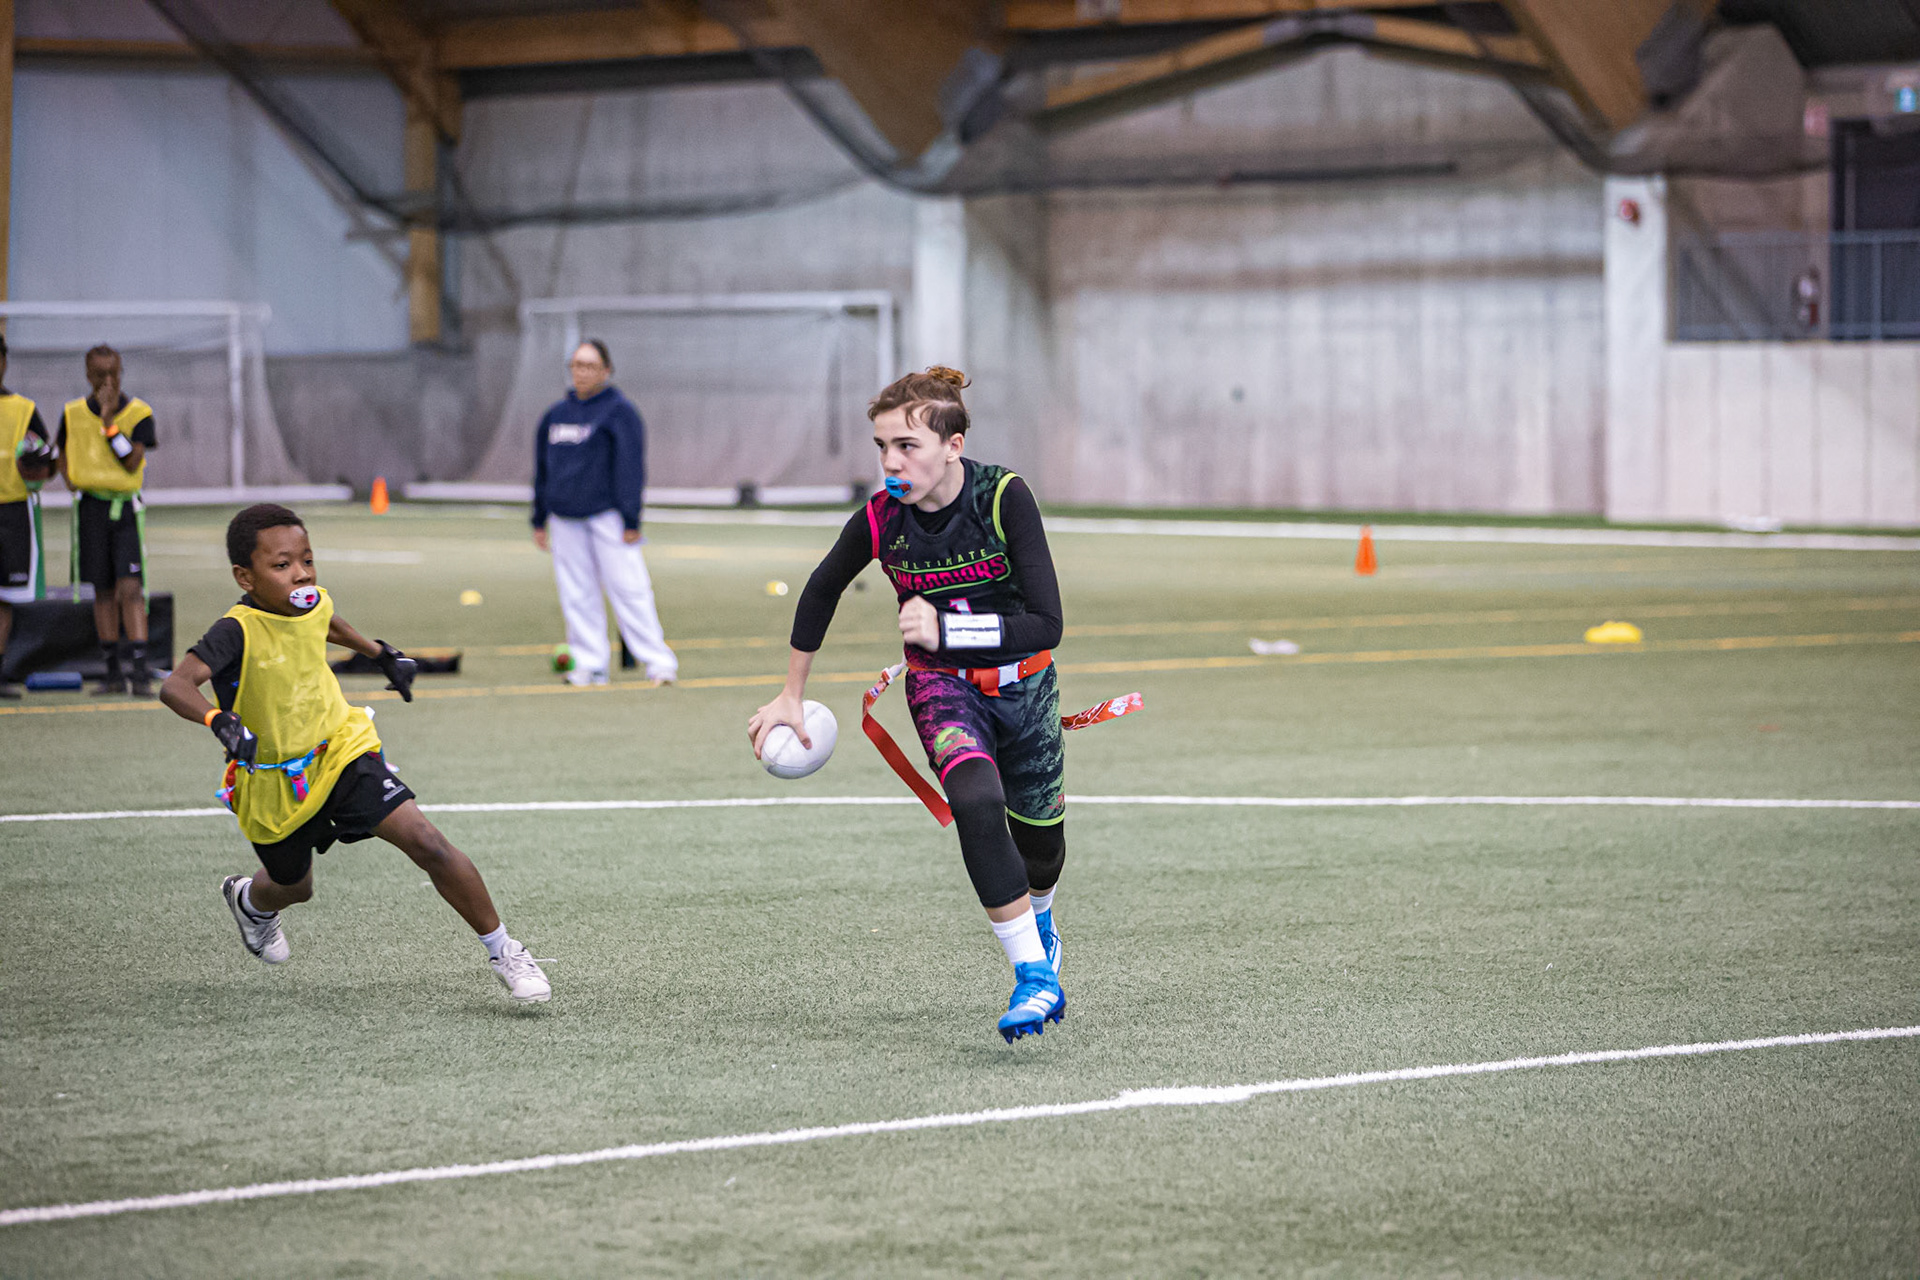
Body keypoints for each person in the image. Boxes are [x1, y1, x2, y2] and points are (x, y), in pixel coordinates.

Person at [749, 367, 1070, 1043]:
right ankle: (1033, 977)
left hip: (1026, 686)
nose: (891, 463)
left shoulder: (1003, 497)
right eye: (882, 447)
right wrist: (790, 693)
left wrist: (949, 629)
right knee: (976, 802)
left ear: (952, 446)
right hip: (941, 685)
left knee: (1042, 850)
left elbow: (1047, 624)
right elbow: (821, 589)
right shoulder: (880, 518)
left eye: (907, 446)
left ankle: (1040, 917)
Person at [158, 503, 552, 1004]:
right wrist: (218, 719)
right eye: (282, 565)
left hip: (340, 750)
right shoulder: (235, 630)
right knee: (294, 887)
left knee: (427, 841)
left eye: (307, 560)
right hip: (275, 782)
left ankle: (506, 951)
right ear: (245, 577)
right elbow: (176, 685)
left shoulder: (310, 602)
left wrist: (380, 653)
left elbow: (328, 622)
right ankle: (250, 902)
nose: (301, 574)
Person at [531, 339, 677, 687]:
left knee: (630, 589)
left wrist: (631, 519)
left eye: (589, 366)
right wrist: (539, 518)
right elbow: (542, 469)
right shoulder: (555, 415)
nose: (581, 372)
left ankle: (659, 663)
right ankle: (589, 664)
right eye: (576, 365)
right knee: (577, 593)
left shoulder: (620, 412)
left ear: (606, 371)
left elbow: (630, 468)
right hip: (565, 518)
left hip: (608, 517)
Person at [58, 345, 156, 696]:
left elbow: (132, 462)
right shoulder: (71, 413)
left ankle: (140, 671)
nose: (108, 382)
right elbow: (62, 453)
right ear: (88, 375)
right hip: (91, 509)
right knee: (102, 590)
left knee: (130, 588)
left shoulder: (139, 412)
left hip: (123, 509)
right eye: (100, 375)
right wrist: (72, 478)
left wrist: (109, 424)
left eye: (114, 374)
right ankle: (112, 672)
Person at [0, 335, 55, 699]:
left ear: (4, 361)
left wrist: (37, 467)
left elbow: (48, 463)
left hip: (13, 511)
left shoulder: (24, 409)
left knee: (4, 597)